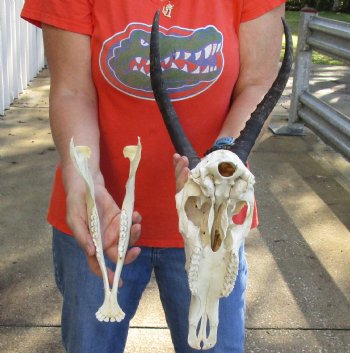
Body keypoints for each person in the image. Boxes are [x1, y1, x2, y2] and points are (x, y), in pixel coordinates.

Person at [21, 1, 286, 352]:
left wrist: (221, 160)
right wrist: (84, 183)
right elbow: (72, 91)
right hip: (102, 218)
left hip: (211, 221)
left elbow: (258, 82)